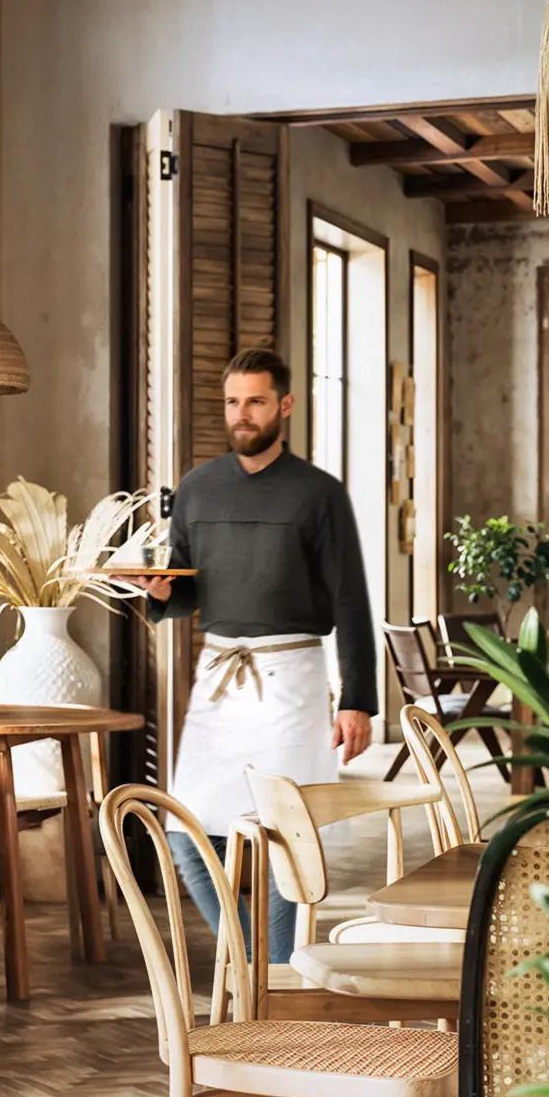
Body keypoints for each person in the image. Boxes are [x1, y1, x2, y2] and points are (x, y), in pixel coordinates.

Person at [141, 347, 376, 968]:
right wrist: (163, 593)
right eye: (233, 402)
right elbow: (188, 585)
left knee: (284, 838)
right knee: (185, 833)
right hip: (218, 678)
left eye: (255, 401)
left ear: (285, 406)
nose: (241, 414)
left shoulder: (320, 495)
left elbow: (352, 598)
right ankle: (253, 962)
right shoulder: (195, 489)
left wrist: (356, 699)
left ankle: (271, 977)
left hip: (291, 678)